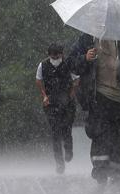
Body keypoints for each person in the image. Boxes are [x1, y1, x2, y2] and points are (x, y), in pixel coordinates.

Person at [67, 34, 120, 188]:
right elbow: (71, 64)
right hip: (98, 97)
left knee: (118, 137)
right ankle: (100, 175)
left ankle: (116, 175)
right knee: (100, 135)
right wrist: (84, 58)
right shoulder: (87, 40)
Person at [35, 43, 77, 174]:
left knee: (67, 129)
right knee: (55, 134)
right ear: (49, 55)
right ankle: (59, 162)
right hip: (51, 103)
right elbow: (38, 80)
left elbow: (76, 80)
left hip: (67, 103)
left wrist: (70, 95)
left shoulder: (68, 64)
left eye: (58, 55)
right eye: (53, 56)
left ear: (62, 54)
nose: (55, 58)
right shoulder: (43, 65)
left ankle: (69, 149)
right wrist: (44, 96)